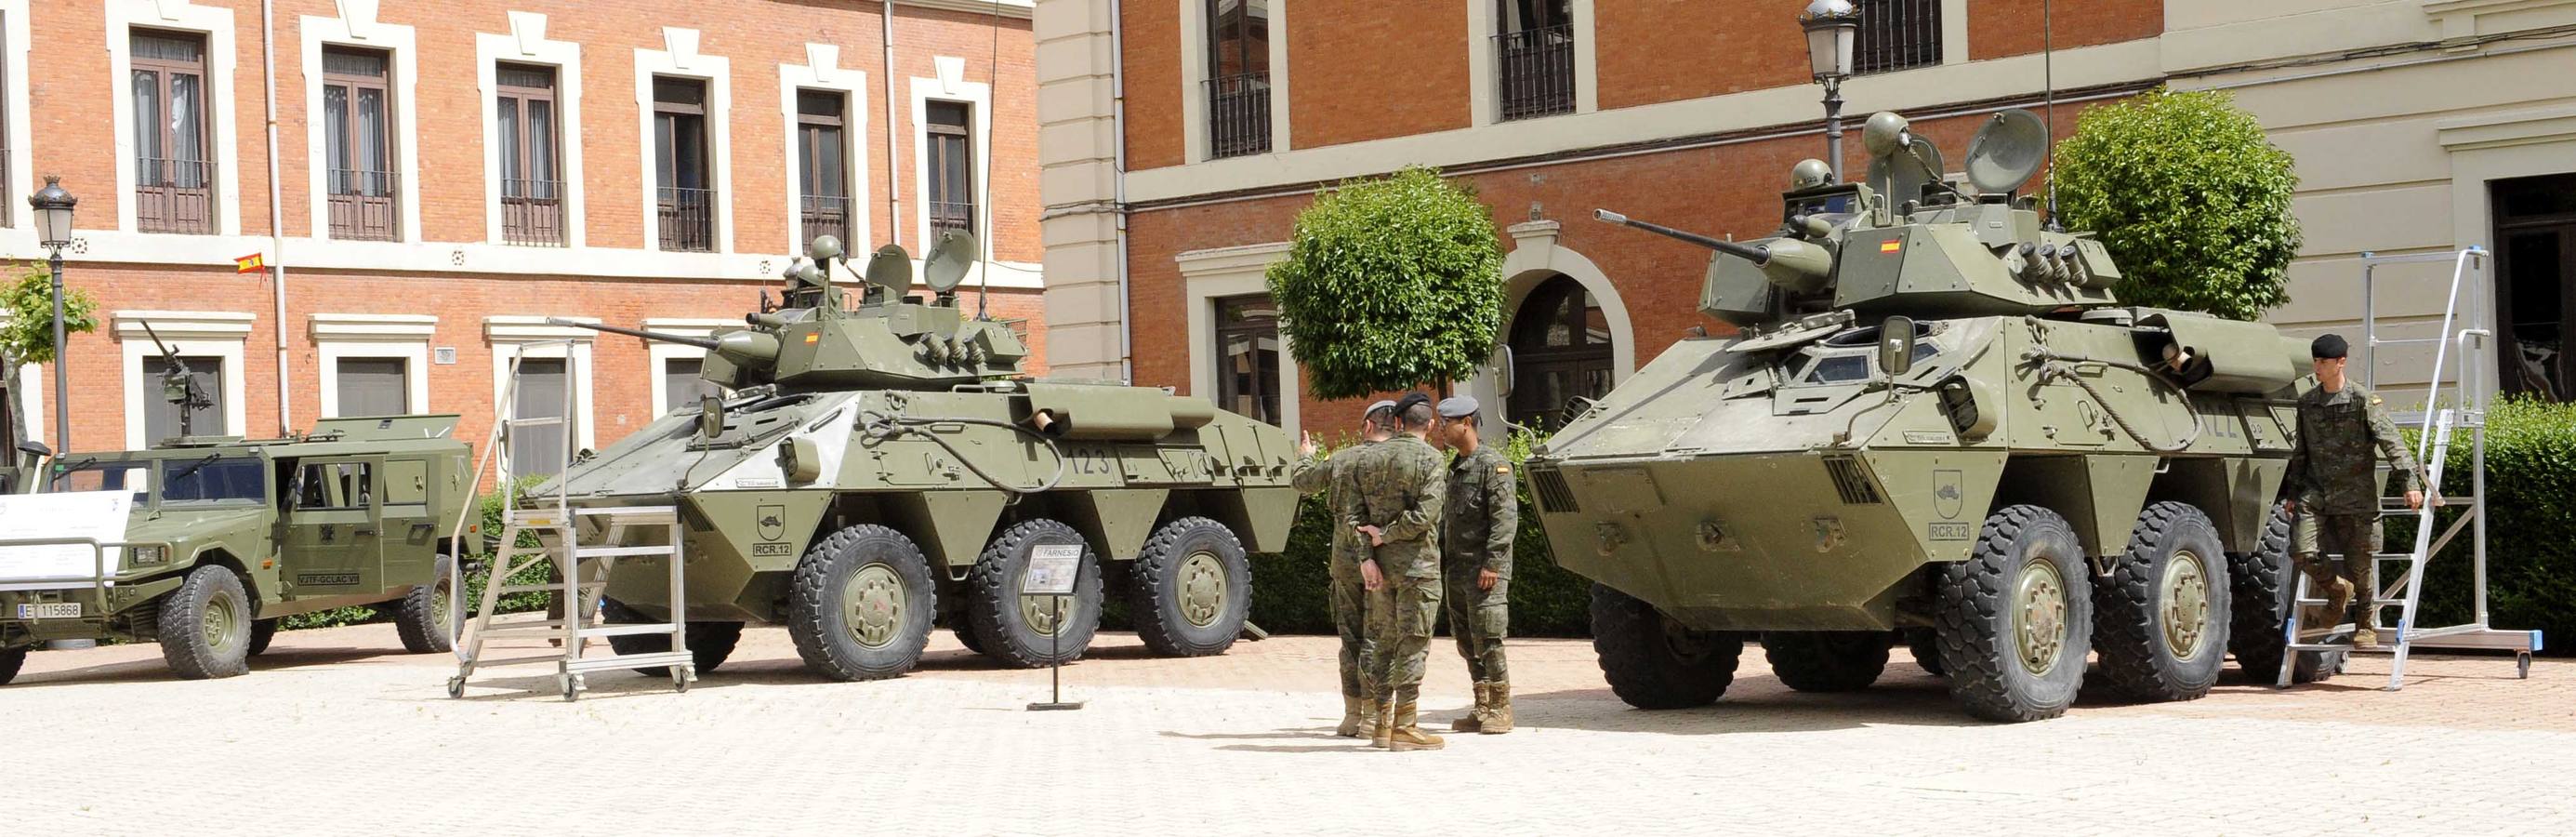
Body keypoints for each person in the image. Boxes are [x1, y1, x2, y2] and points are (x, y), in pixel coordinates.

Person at [2282, 333, 2426, 648]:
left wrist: (2410, 484)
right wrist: (2293, 493)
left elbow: (2392, 443)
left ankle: (2365, 624)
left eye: (2323, 362)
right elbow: (2301, 452)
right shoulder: (2307, 403)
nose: (2317, 368)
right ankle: (2336, 590)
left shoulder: (2363, 400)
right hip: (2316, 492)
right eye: (2315, 361)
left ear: (2341, 362)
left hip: (2356, 496)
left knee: (2360, 567)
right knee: (2301, 551)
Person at [1290, 399, 1397, 738]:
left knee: (1351, 637)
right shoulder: (1398, 462)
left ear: (1367, 426)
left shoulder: (1343, 459)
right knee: (1379, 638)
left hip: (1346, 562)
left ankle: (1353, 715)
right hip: (1384, 562)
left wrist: (1306, 454)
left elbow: (1303, 481)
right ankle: (1375, 716)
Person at [1348, 392, 1446, 751]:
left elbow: (1353, 517)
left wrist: (1366, 557)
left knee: (1384, 643)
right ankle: (1405, 725)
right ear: (1431, 426)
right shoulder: (1433, 460)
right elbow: (1425, 517)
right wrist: (1388, 534)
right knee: (1413, 643)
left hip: (1380, 571)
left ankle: (1381, 723)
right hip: (1418, 569)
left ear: (1399, 423)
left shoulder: (1369, 459)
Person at [1435, 395, 1518, 735]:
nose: (1441, 429)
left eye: (1447, 423)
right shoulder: (1455, 467)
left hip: (1485, 571)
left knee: (1489, 636)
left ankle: (1502, 708)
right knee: (1467, 639)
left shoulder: (1493, 466)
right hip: (1457, 570)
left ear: (1466, 423)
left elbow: (1504, 521)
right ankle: (1482, 704)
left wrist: (1493, 565)